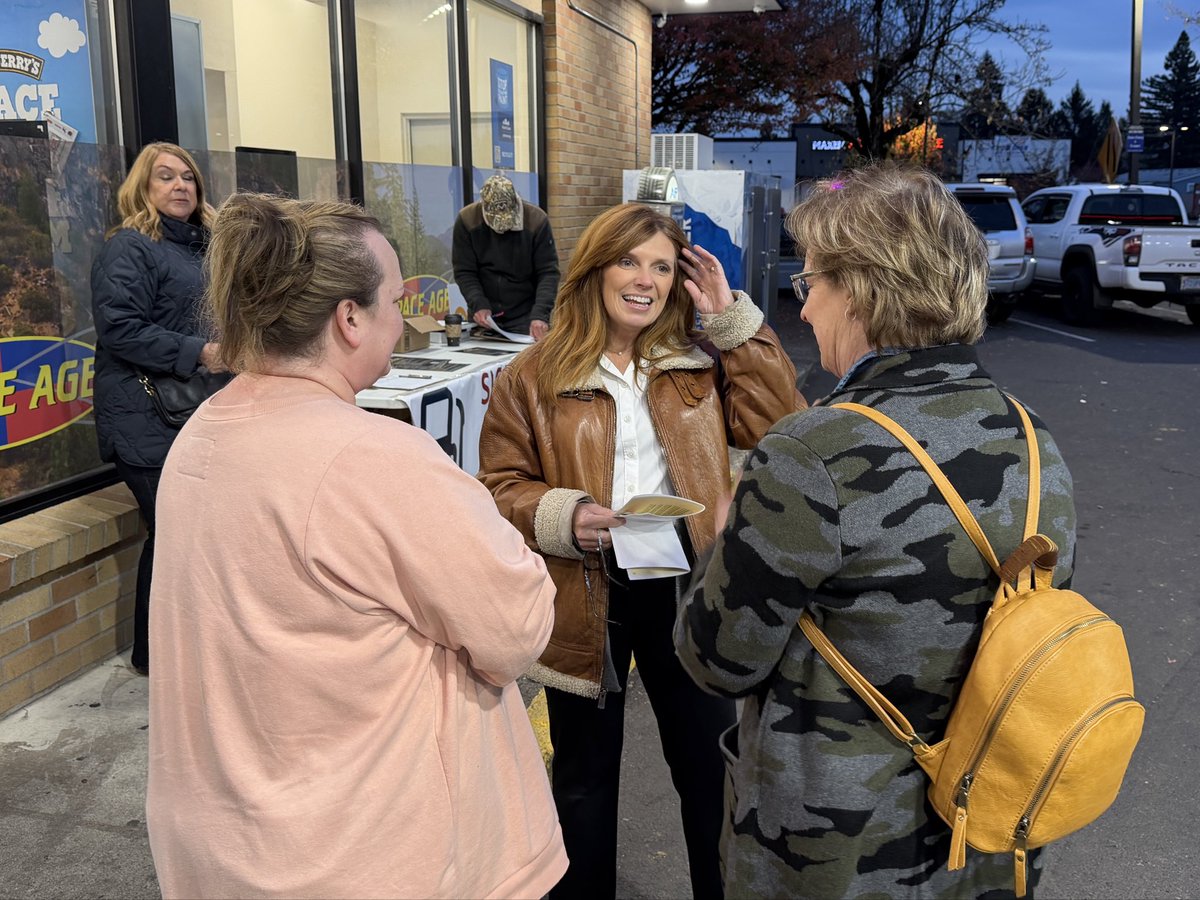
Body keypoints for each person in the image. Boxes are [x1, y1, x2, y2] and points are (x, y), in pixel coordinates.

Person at [674, 162, 1078, 898]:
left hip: (832, 853)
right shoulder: (1031, 436)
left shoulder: (812, 453)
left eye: (810, 283)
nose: (804, 309)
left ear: (859, 291)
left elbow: (717, 661)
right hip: (986, 832)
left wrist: (721, 539)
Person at [146, 193, 567, 899]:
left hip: (226, 847)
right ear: (349, 318)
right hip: (376, 852)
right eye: (394, 301)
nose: (401, 320)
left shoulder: (201, 434)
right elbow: (516, 629)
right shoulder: (378, 459)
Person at [478, 202, 804, 899]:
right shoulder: (532, 375)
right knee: (584, 781)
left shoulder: (699, 365)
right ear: (597, 269)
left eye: (660, 267)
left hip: (688, 584)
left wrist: (732, 321)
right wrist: (562, 514)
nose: (645, 280)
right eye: (629, 261)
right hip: (583, 587)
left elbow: (785, 428)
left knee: (710, 770)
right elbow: (500, 485)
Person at [90, 141, 226, 677]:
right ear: (142, 187)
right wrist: (201, 352)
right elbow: (120, 329)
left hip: (192, 411)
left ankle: (179, 647)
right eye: (165, 177)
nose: (180, 186)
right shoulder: (130, 247)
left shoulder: (203, 247)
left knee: (190, 533)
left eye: (188, 177)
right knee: (174, 533)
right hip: (143, 415)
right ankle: (155, 655)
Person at [452, 174, 559, 340]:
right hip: (484, 317)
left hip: (525, 315)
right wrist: (478, 303)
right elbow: (465, 271)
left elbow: (548, 273)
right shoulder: (467, 220)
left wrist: (540, 314)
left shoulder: (536, 220)